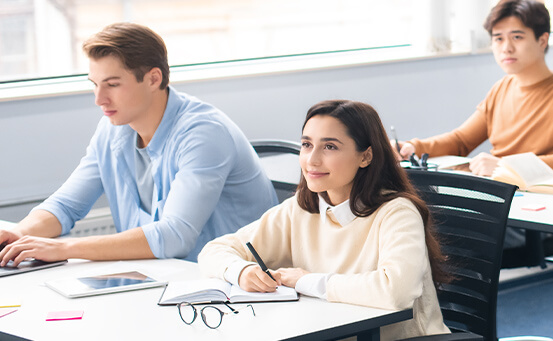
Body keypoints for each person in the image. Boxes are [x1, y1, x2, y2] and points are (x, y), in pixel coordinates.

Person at [0, 23, 276, 264]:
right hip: (160, 278)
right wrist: (22, 233)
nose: (99, 99)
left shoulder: (204, 134)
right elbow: (66, 206)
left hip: (232, 287)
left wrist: (63, 248)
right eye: (94, 84)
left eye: (113, 84)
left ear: (153, 78)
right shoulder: (112, 130)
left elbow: (175, 236)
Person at [198, 100, 451, 339]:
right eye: (307, 145)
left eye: (329, 147)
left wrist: (304, 280)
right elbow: (214, 251)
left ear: (366, 156)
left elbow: (396, 291)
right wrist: (242, 271)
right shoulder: (300, 208)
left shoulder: (397, 212)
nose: (312, 159)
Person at [396, 0, 553, 267]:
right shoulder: (501, 88)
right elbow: (460, 141)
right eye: (498, 38)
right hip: (494, 197)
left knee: (438, 233)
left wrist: (508, 166)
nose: (506, 47)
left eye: (517, 37)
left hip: (531, 208)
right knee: (414, 218)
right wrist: (410, 146)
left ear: (542, 40)